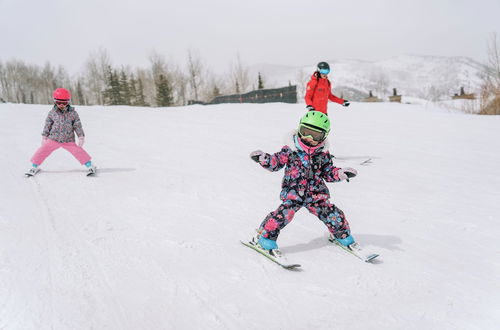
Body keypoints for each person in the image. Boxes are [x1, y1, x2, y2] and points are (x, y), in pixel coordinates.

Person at [248, 111, 359, 259]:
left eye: (316, 136)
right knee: (282, 216)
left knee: (333, 215)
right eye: (305, 132)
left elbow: (328, 172)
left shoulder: (323, 154)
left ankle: (340, 234)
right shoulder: (290, 149)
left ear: (324, 136)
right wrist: (264, 159)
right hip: (294, 194)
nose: (309, 138)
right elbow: (276, 162)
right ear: (299, 128)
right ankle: (264, 238)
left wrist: (340, 173)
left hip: (316, 194)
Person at [26, 88, 96, 176]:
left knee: (78, 152)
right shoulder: (52, 113)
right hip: (53, 138)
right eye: (59, 102)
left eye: (64, 103)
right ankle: (34, 167)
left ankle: (90, 166)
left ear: (68, 102)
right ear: (55, 102)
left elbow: (77, 125)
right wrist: (44, 136)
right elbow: (47, 125)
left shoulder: (73, 113)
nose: (62, 105)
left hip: (68, 139)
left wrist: (81, 136)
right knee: (42, 151)